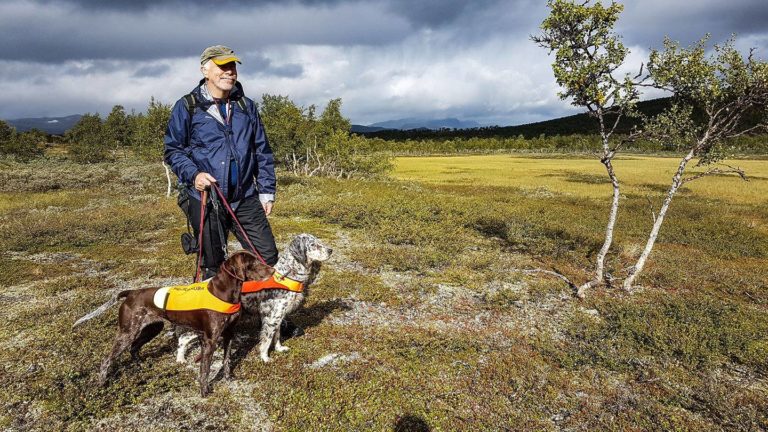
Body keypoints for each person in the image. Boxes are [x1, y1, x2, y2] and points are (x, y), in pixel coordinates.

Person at [164, 45, 278, 279]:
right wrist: (194, 175)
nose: (230, 72)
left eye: (233, 66)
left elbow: (262, 150)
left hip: (245, 198)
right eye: (223, 66)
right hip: (207, 199)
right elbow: (173, 150)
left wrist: (267, 191)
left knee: (267, 258)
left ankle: (258, 312)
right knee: (212, 265)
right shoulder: (188, 106)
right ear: (205, 70)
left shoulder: (246, 106)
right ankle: (216, 314)